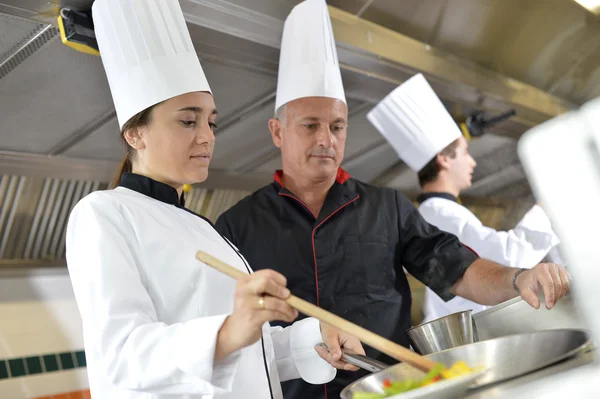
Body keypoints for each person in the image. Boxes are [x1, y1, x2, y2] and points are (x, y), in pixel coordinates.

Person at [214, 1, 570, 398]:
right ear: (277, 131)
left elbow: (459, 268)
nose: (326, 140)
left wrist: (518, 277)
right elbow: (220, 330)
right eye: (310, 125)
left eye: (336, 126)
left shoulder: (387, 208)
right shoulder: (234, 227)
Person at [65, 1, 363, 398]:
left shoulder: (198, 226)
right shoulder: (102, 215)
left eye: (211, 121)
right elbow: (121, 356)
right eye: (188, 121)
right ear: (135, 133)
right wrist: (227, 332)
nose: (207, 136)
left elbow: (243, 354)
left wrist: (314, 337)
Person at [367, 73, 563, 322]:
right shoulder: (440, 214)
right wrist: (548, 205)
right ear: (444, 158)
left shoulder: (443, 211)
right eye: (465, 153)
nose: (472, 161)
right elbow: (508, 258)